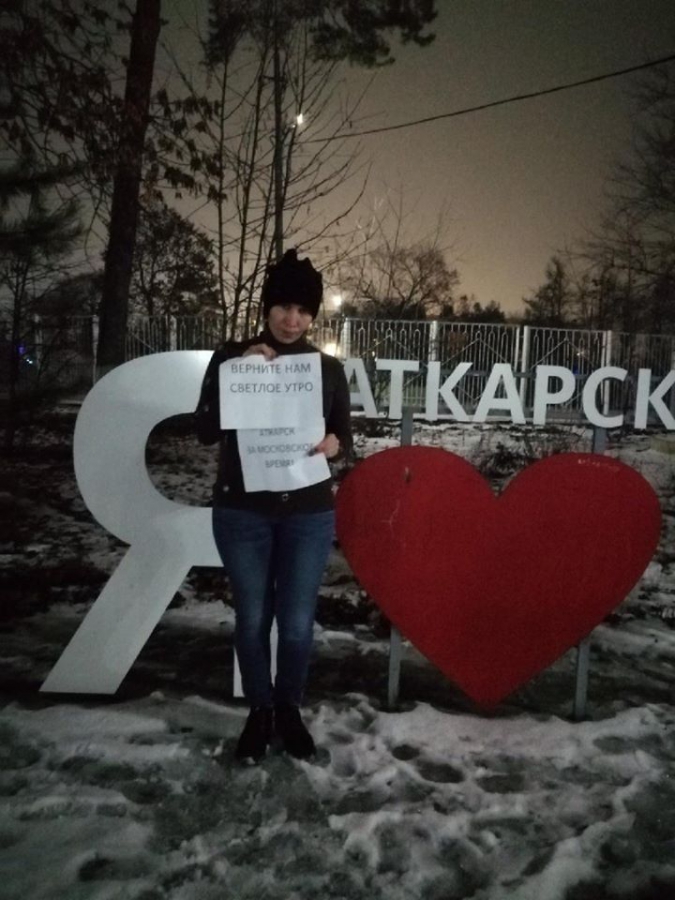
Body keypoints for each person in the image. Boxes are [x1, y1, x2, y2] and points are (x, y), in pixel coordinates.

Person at [194, 249, 352, 763]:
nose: (292, 319)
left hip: (307, 513)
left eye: (304, 310)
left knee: (299, 623)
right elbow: (204, 430)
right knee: (252, 618)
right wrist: (238, 372)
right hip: (243, 512)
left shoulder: (326, 369)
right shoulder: (231, 357)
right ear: (267, 307)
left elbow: (344, 437)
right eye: (284, 306)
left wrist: (335, 446)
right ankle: (259, 710)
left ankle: (288, 708)